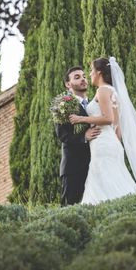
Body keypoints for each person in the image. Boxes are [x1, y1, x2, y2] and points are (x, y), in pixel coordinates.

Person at [69, 57, 136, 204]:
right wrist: (113, 141)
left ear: (99, 73)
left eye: (91, 71)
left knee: (101, 183)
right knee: (115, 180)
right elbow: (117, 126)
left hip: (102, 143)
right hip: (111, 142)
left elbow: (107, 118)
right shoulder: (113, 91)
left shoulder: (102, 90)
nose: (90, 75)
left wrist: (81, 119)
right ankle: (132, 205)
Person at [56, 66, 101, 205]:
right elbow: (63, 135)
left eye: (84, 76)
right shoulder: (63, 104)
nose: (82, 79)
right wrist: (84, 137)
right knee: (70, 209)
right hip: (73, 168)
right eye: (77, 77)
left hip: (95, 164)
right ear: (68, 84)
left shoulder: (94, 103)